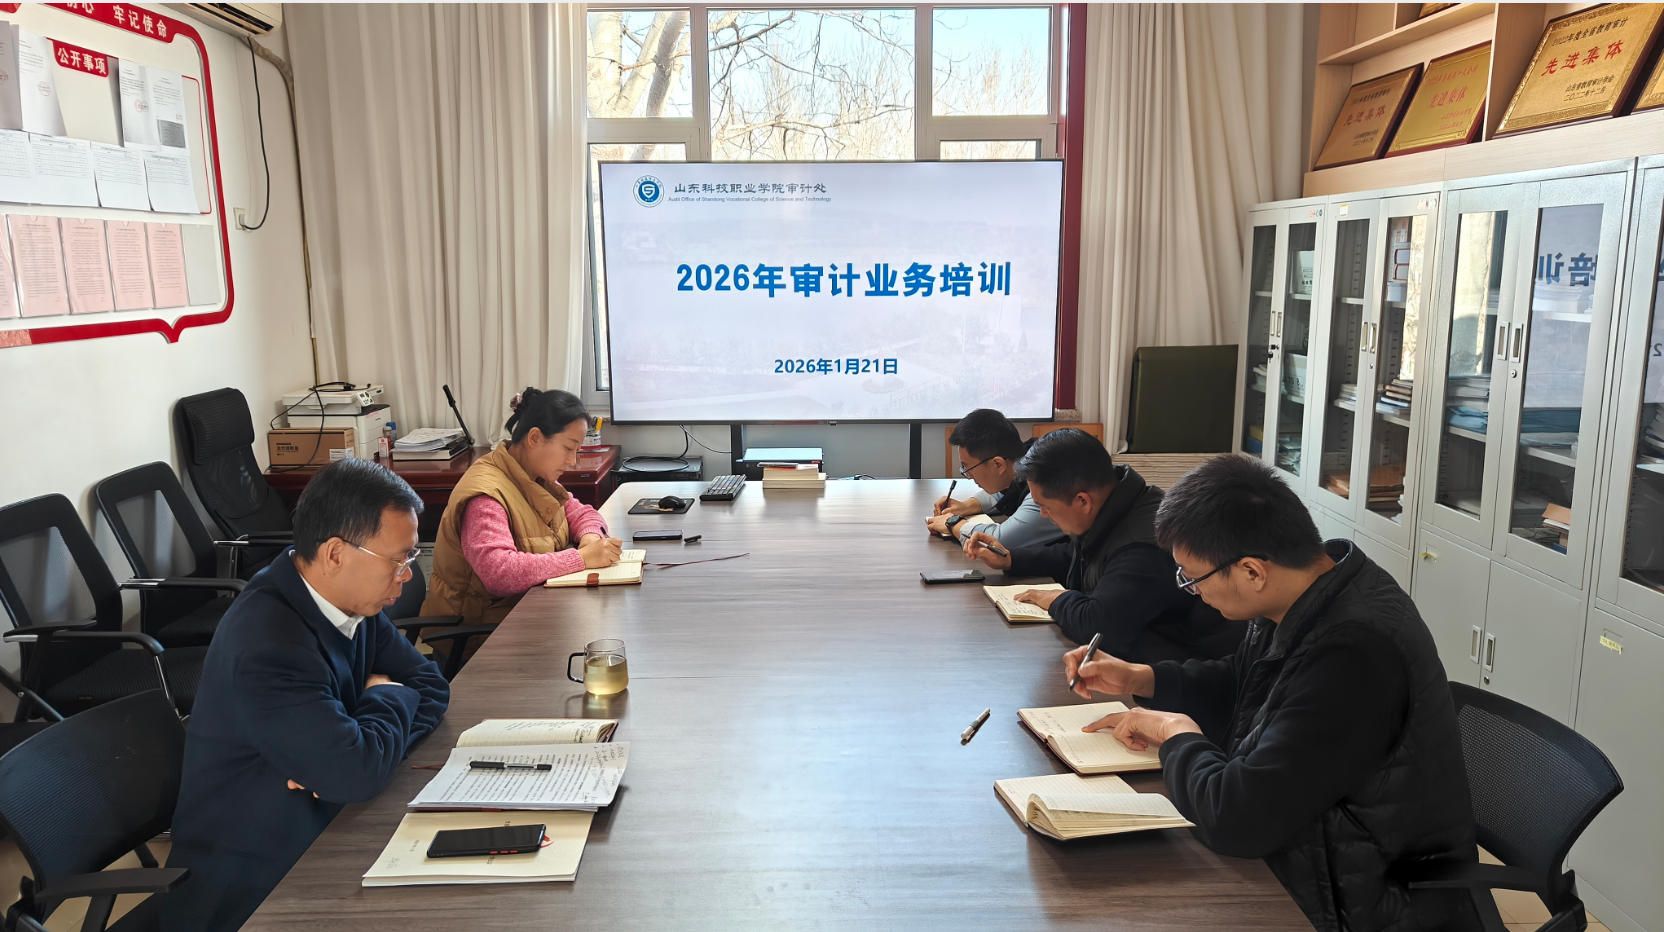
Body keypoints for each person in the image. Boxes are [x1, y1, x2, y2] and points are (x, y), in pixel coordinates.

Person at [1063, 454, 1481, 932]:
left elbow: (1237, 820)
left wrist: (1176, 732)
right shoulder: (1309, 591)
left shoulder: (1354, 651)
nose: (1192, 592)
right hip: (1315, 850)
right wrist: (1144, 679)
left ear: (1252, 572)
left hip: (1364, 897)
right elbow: (1245, 683)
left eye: (1193, 579)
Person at [166, 458, 450, 930]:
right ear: (336, 553)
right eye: (399, 560)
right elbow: (356, 773)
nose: (406, 574)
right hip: (258, 876)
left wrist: (361, 741)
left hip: (330, 820)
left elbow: (432, 686)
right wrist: (385, 699)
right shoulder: (268, 643)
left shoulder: (350, 603)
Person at [963, 429, 1241, 664]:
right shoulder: (1118, 504)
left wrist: (1056, 600)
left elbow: (1098, 626)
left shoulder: (1143, 546)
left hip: (1180, 678)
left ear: (1082, 501)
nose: (1044, 515)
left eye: (1045, 506)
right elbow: (1076, 556)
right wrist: (1012, 559)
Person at [424, 388, 622, 626]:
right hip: (483, 633)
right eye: (568, 448)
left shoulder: (534, 476)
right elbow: (499, 572)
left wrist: (590, 538)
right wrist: (581, 558)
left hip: (527, 614)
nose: (572, 461)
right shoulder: (485, 495)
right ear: (534, 438)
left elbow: (582, 513)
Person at [926, 408, 1063, 551]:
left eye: (967, 468)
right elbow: (1003, 490)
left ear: (998, 464)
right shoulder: (1022, 460)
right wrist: (966, 506)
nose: (969, 476)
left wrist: (953, 523)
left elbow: (1000, 540)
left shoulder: (1042, 488)